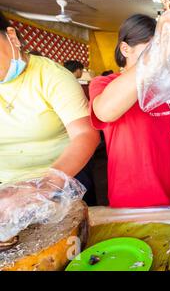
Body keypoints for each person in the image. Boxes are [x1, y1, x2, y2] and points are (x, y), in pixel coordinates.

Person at [89, 14, 170, 208]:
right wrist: (152, 59)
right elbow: (105, 112)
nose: (158, 57)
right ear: (125, 49)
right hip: (131, 199)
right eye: (150, 49)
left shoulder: (163, 87)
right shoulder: (105, 83)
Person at [0, 12, 99, 190]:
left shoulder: (52, 76)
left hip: (61, 178)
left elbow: (85, 134)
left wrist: (46, 186)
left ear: (12, 37)